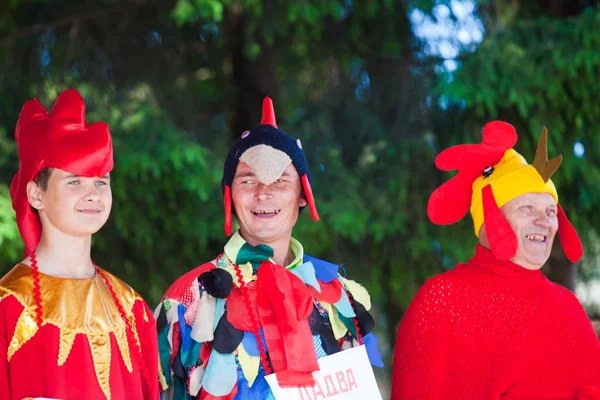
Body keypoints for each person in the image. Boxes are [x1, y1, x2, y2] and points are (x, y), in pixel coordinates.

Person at [157, 97, 383, 399]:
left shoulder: (337, 293)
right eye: (248, 181)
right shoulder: (188, 299)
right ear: (230, 196)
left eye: (279, 180)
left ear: (303, 195)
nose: (264, 194)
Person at [391, 121, 600, 399]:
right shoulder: (443, 301)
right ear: (491, 214)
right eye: (528, 207)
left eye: (551, 211)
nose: (545, 222)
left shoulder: (569, 308)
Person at [0, 89, 159, 399]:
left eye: (101, 181)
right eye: (74, 181)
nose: (93, 194)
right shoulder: (7, 309)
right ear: (36, 195)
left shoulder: (133, 310)